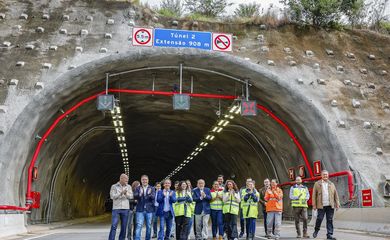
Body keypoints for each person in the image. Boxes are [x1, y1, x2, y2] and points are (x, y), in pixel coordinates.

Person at [312, 170, 340, 240]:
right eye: (324, 174)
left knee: (330, 220)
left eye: (326, 175)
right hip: (321, 205)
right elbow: (314, 195)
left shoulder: (331, 184)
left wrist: (337, 203)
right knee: (319, 218)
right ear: (321, 175)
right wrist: (314, 205)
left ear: (328, 175)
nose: (325, 176)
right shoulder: (317, 184)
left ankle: (329, 234)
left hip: (330, 205)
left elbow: (335, 195)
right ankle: (316, 230)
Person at [109, 174, 133, 240]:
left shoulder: (129, 187)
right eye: (126, 179)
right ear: (121, 178)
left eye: (127, 179)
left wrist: (126, 194)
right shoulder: (114, 186)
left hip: (125, 209)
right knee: (114, 225)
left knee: (124, 226)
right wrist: (121, 193)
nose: (127, 180)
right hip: (116, 208)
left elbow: (131, 196)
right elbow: (112, 196)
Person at [134, 175, 156, 240]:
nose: (144, 181)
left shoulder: (152, 188)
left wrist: (148, 194)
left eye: (146, 179)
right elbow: (135, 195)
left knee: (149, 226)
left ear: (148, 180)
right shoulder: (138, 188)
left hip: (149, 210)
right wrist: (140, 194)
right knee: (139, 226)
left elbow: (153, 197)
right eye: (143, 179)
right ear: (141, 180)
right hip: (140, 210)